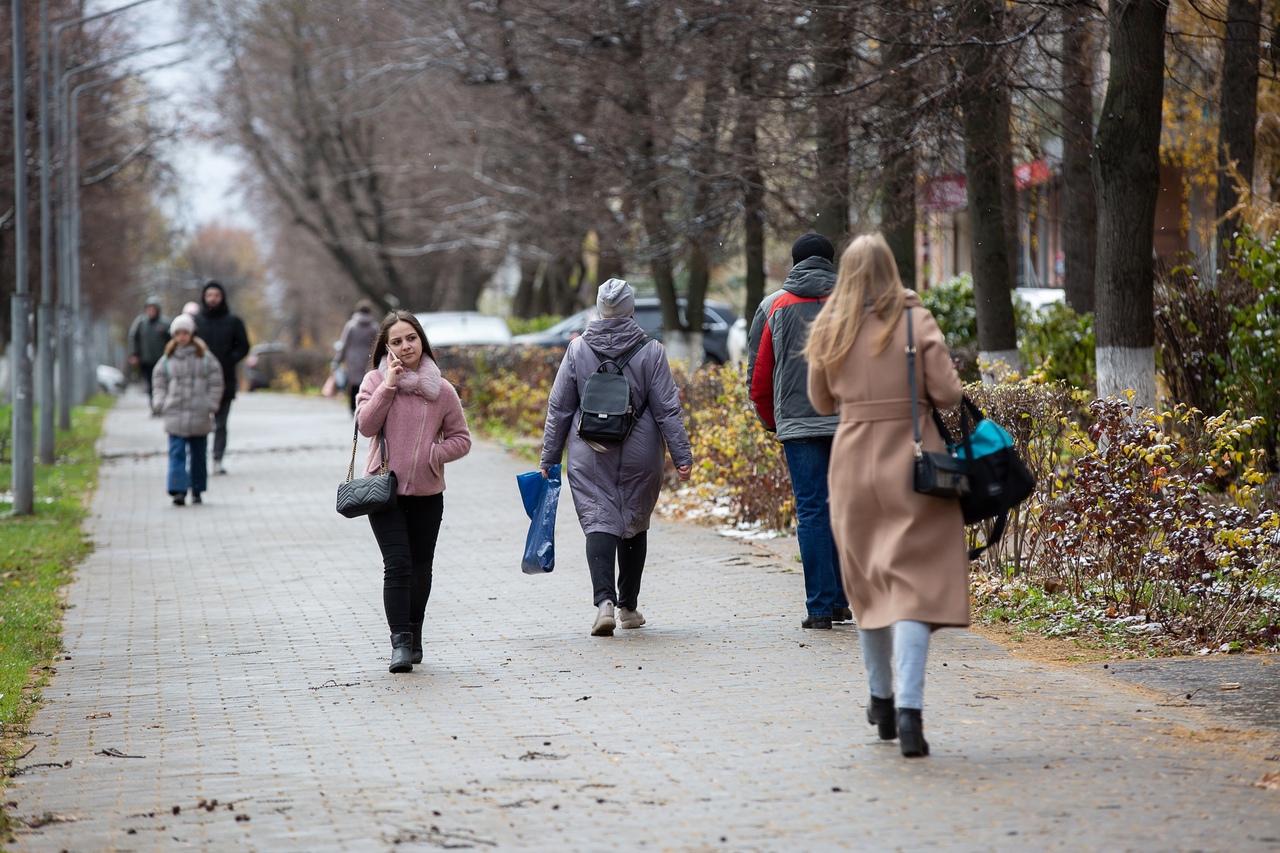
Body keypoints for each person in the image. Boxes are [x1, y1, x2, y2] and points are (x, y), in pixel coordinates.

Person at [804, 233, 967, 758]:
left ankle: (880, 700)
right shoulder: (916, 321)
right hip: (914, 464)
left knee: (869, 588)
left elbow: (820, 400)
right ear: (891, 269)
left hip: (852, 465)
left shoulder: (830, 325)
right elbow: (948, 394)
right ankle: (910, 713)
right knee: (914, 589)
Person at [539, 279, 693, 637]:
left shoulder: (577, 350)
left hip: (589, 449)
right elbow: (668, 409)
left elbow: (559, 408)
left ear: (598, 308)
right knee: (634, 521)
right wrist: (682, 455)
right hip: (641, 450)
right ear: (630, 308)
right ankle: (628, 607)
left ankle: (603, 603)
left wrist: (549, 456)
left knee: (599, 519)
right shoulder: (651, 350)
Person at [355, 310, 472, 673]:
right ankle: (400, 643)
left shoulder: (442, 390)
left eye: (411, 338)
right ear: (386, 348)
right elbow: (365, 425)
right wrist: (388, 385)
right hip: (383, 491)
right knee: (398, 565)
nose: (405, 346)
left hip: (427, 493)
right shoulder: (375, 381)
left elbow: (462, 439)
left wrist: (433, 455)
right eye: (396, 341)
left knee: (421, 568)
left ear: (421, 340)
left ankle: (415, 631)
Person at [747, 231, 851, 630]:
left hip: (798, 425)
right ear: (830, 261)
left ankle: (820, 609)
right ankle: (843, 599)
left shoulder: (774, 305)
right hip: (848, 423)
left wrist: (774, 421)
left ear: (794, 263)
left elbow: (759, 376)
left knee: (812, 512)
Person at [151, 314, 224, 507]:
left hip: (199, 414)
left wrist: (210, 403)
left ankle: (197, 489)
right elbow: (158, 381)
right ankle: (178, 490)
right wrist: (161, 402)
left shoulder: (205, 357)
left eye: (185, 333)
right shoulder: (167, 358)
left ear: (191, 334)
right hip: (174, 413)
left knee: (199, 454)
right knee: (176, 453)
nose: (182, 337)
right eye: (178, 333)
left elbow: (216, 381)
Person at [193, 281, 250, 475]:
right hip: (199, 381)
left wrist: (230, 359)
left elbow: (244, 345)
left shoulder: (233, 321)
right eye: (209, 295)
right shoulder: (196, 321)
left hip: (226, 379)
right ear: (204, 297)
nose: (213, 299)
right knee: (199, 422)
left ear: (222, 297)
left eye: (216, 295)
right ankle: (198, 458)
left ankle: (217, 458)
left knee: (221, 423)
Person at [336, 299, 379, 414]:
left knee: (353, 383)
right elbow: (377, 343)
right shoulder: (374, 327)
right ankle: (364, 406)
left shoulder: (351, 326)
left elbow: (344, 343)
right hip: (368, 357)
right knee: (365, 382)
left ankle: (352, 407)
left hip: (352, 357)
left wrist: (338, 359)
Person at [128, 295, 170, 399]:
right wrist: (134, 354)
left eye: (153, 308)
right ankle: (154, 403)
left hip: (161, 359)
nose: (151, 310)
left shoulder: (165, 323)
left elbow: (171, 339)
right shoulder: (141, 323)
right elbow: (133, 337)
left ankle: (161, 401)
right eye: (149, 308)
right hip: (146, 360)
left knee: (161, 382)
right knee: (150, 383)